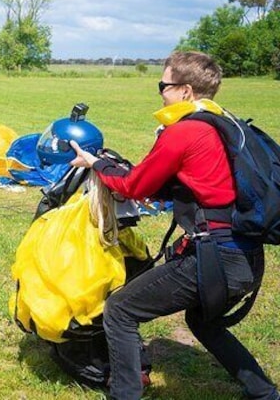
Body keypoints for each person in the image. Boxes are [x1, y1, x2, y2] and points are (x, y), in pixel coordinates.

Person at [70, 51, 278, 400]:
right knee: (203, 322)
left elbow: (135, 185)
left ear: (184, 90)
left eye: (162, 85)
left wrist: (96, 163)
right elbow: (205, 185)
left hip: (214, 260)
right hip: (246, 256)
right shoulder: (222, 123)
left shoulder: (184, 132)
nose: (160, 93)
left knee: (120, 310)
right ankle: (263, 393)